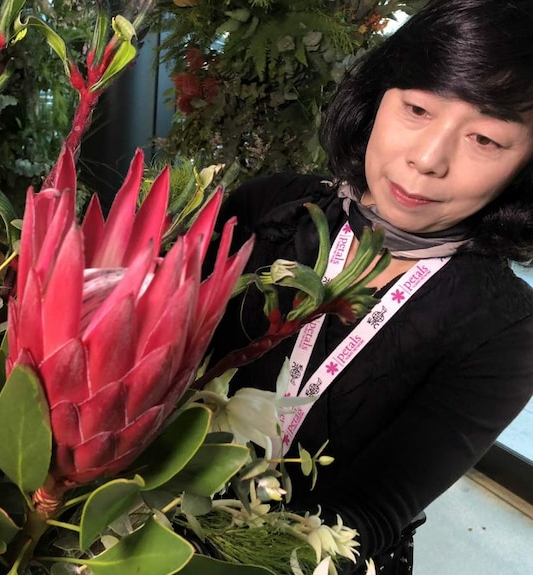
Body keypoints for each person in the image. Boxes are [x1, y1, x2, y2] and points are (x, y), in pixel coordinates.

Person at [209, 1, 533, 573]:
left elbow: (376, 508)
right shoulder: (271, 207)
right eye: (416, 109)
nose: (427, 159)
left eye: (485, 139)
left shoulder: (506, 328)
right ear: (377, 99)